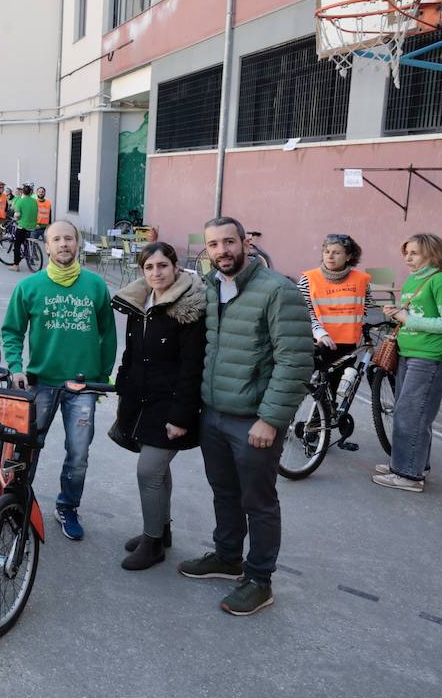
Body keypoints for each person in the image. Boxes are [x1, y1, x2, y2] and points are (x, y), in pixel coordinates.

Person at [178, 217, 310, 617]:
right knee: (224, 491)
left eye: (229, 242)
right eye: (214, 244)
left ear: (245, 244)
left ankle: (259, 580)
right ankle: (228, 556)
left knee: (259, 501)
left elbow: (296, 361)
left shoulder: (277, 291)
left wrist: (270, 419)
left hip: (254, 419)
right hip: (215, 413)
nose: (222, 251)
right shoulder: (215, 287)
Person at [2, 221, 117, 541]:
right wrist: (16, 367)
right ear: (47, 247)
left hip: (82, 386)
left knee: (78, 453)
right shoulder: (29, 287)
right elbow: (12, 331)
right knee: (27, 449)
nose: (63, 244)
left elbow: (108, 334)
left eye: (69, 238)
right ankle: (17, 504)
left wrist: (101, 378)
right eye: (56, 239)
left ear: (77, 244)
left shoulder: (95, 286)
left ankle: (67, 506)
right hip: (39, 383)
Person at [110, 242, 206, 570]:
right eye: (149, 267)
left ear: (176, 267)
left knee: (148, 470)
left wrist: (181, 417)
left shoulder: (188, 308)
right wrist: (123, 390)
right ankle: (160, 531)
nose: (156, 273)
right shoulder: (143, 302)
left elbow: (192, 367)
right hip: (143, 401)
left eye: (163, 266)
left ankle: (152, 545)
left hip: (172, 405)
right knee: (159, 471)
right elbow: (131, 353)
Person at [374, 233, 442, 493]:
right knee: (412, 414)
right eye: (406, 252)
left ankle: (407, 474)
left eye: (414, 252)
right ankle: (410, 464)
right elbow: (415, 315)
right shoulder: (415, 280)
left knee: (411, 415)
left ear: (432, 253)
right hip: (410, 353)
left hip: (432, 358)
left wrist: (407, 318)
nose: (408, 257)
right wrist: (398, 315)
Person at [298, 234, 373, 406]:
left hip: (347, 344)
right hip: (317, 341)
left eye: (337, 252)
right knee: (304, 386)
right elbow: (302, 311)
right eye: (326, 251)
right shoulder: (309, 279)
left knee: (333, 389)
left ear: (349, 256)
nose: (330, 256)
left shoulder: (361, 280)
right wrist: (319, 332)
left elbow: (364, 306)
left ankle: (321, 427)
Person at [9, 185, 38, 272]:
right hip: (32, 226)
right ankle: (27, 254)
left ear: (22, 192)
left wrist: (15, 218)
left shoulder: (20, 201)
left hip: (22, 226)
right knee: (26, 242)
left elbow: (17, 215)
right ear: (31, 192)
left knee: (17, 245)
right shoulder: (34, 201)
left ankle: (16, 265)